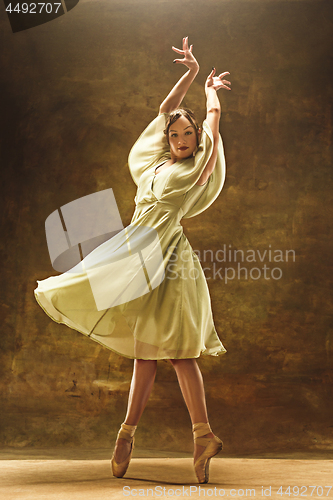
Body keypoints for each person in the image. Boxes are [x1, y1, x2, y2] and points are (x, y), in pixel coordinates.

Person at [34, 36, 231, 484]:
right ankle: (127, 434)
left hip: (171, 262)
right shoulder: (156, 166)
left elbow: (213, 123)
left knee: (180, 353)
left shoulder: (196, 169)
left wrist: (211, 94)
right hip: (138, 255)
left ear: (199, 140)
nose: (181, 138)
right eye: (175, 134)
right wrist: (190, 73)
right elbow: (165, 109)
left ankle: (202, 436)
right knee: (145, 353)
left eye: (189, 134)